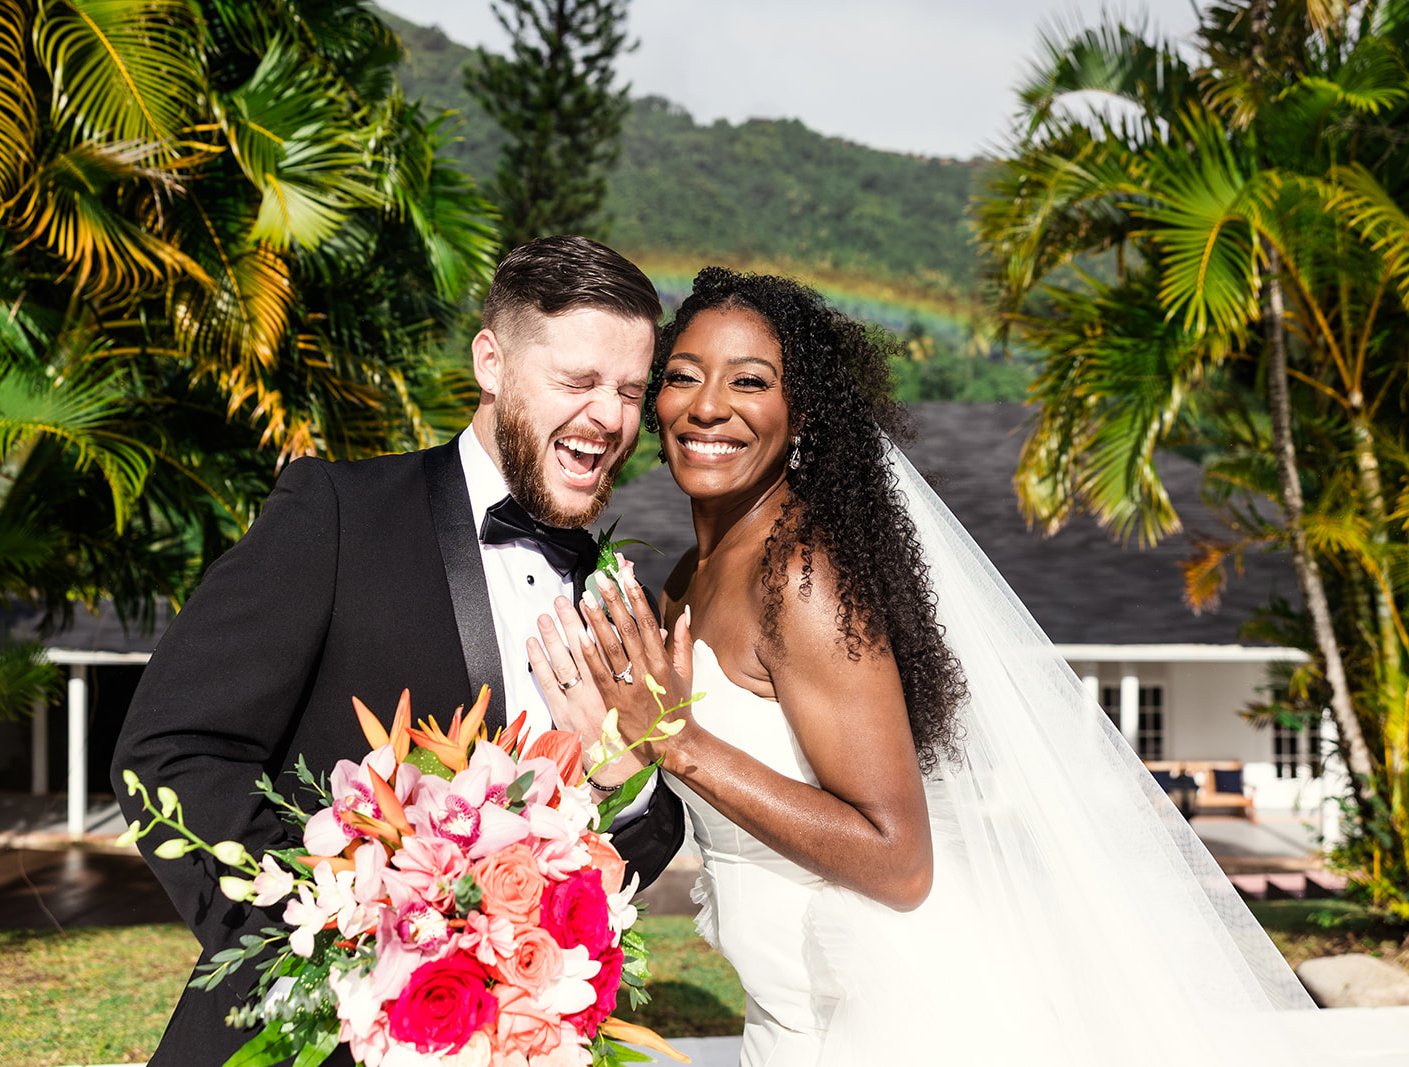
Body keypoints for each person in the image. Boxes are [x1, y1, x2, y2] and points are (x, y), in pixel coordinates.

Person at [530, 268, 1320, 1066]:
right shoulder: (688, 578)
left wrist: (677, 742)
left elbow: (899, 858)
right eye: (683, 376)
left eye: (750, 381)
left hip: (880, 1016)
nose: (708, 405)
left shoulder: (801, 579)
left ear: (799, 413)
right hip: (786, 1014)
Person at [110, 236, 686, 1067]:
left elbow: (635, 843)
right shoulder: (336, 513)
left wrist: (619, 777)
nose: (610, 416)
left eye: (631, 389)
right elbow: (172, 749)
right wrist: (340, 940)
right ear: (491, 362)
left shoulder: (613, 589)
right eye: (578, 381)